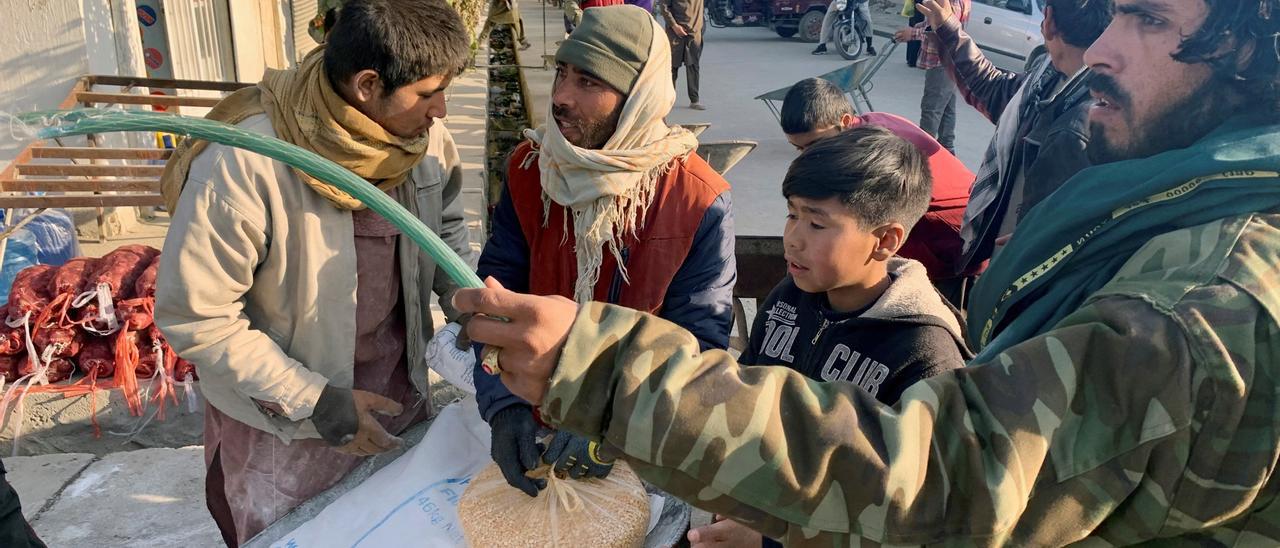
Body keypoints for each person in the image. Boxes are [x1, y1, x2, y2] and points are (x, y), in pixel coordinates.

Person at [457, 0, 1280, 543]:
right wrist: (511, 394)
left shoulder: (1212, 299)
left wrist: (605, 375)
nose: (1097, 50)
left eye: (1146, 16)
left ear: (1254, 42)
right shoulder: (1177, 207)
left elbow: (948, 473)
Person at [154, 0, 474, 544]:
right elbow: (196, 315)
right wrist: (315, 400)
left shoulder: (423, 144)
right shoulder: (246, 163)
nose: (441, 110)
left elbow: (443, 230)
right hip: (285, 424)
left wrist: (465, 296)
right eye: (427, 93)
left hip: (397, 395)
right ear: (368, 85)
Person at [471, 5, 735, 498]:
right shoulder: (532, 171)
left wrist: (610, 414)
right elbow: (497, 298)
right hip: (532, 404)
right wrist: (502, 406)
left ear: (637, 96)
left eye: (590, 83)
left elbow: (698, 343)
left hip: (640, 434)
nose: (562, 98)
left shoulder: (696, 199)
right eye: (561, 73)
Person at [689, 126, 973, 547]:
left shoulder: (924, 357)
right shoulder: (791, 296)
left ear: (885, 240)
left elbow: (912, 519)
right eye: (792, 214)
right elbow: (746, 396)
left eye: (817, 224)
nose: (793, 239)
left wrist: (772, 540)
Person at [918, 0, 1112, 277]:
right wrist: (949, 30)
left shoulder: (1081, 123)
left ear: (1048, 21)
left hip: (1025, 269)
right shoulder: (1050, 78)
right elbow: (996, 91)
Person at [779, 78, 980, 305]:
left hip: (955, 235)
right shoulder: (869, 122)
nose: (807, 155)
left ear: (844, 121)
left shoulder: (866, 157)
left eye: (814, 144)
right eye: (799, 148)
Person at [895, 0, 969, 153]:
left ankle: (922, 156)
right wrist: (912, 30)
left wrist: (913, 33)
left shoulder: (950, 2)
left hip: (941, 62)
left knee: (931, 111)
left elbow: (945, 29)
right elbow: (933, 21)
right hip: (948, 61)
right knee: (947, 110)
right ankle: (948, 152)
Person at [660, 0, 706, 110]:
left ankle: (694, 100)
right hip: (675, 32)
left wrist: (700, 27)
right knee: (672, 67)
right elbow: (664, 6)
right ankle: (668, 101)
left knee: (693, 66)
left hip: (694, 32)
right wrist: (674, 25)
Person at [811, 0, 875, 56]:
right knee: (829, 17)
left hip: (860, 1)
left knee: (867, 19)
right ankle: (822, 45)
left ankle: (869, 47)